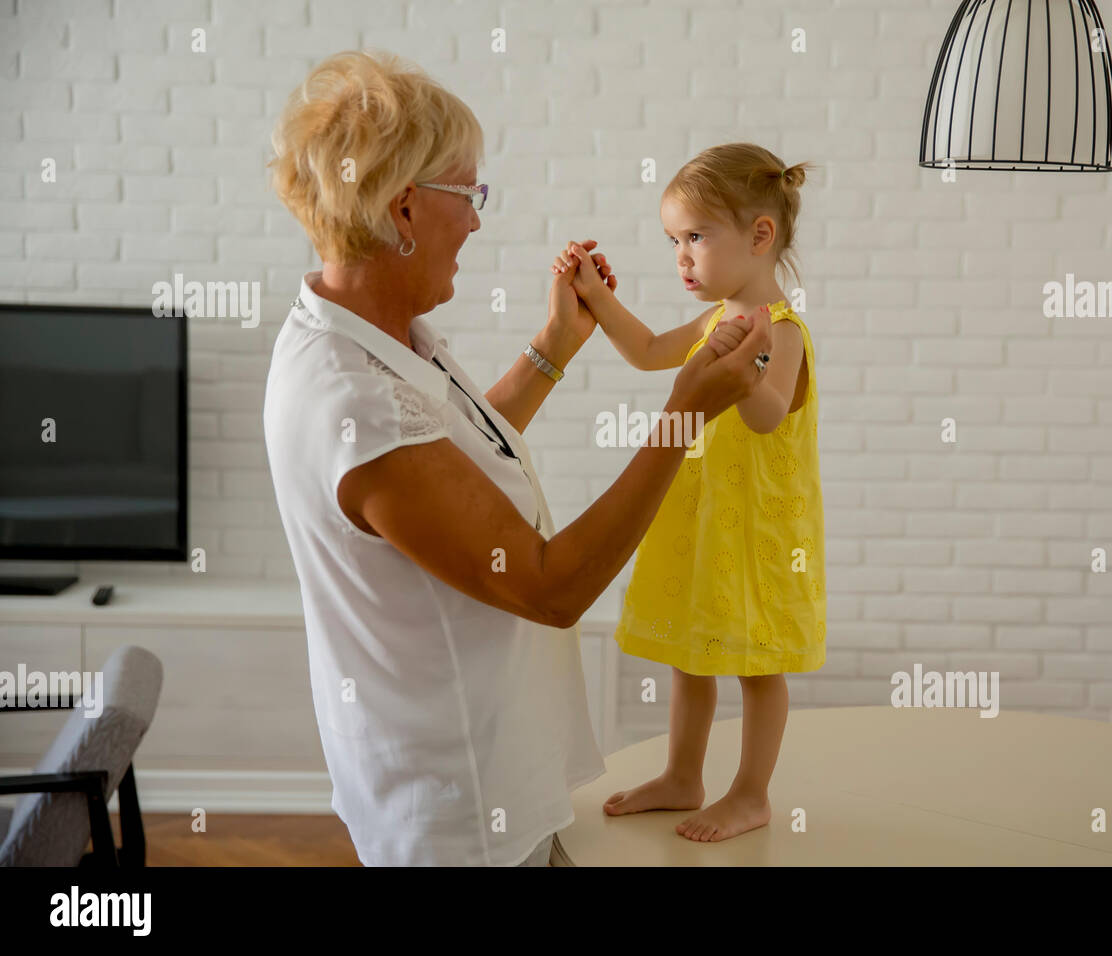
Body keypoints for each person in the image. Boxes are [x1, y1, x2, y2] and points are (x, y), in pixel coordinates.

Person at [261, 51, 771, 866]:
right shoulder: (350, 399)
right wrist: (682, 417)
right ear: (404, 209)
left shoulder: (378, 337)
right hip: (460, 816)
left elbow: (455, 460)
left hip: (492, 784)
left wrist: (555, 346)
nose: (475, 220)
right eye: (468, 196)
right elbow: (548, 583)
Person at [550, 143, 825, 843]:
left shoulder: (782, 331)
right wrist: (594, 294)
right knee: (692, 654)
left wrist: (750, 357)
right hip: (705, 520)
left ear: (760, 236)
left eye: (696, 237)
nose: (682, 256)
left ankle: (752, 793)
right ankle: (683, 773)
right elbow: (645, 352)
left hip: (757, 530)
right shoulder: (714, 321)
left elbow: (765, 416)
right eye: (674, 240)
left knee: (757, 664)